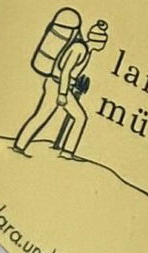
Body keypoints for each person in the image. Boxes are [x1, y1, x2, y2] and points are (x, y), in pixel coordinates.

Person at [13, 15, 108, 157]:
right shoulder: (79, 48)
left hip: (61, 86)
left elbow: (71, 74)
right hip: (57, 85)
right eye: (103, 41)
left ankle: (22, 145)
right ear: (98, 41)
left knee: (48, 116)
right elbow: (66, 71)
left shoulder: (86, 51)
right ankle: (65, 152)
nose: (103, 45)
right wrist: (62, 94)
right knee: (73, 117)